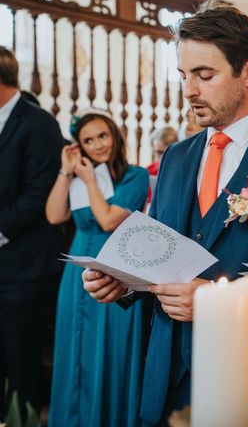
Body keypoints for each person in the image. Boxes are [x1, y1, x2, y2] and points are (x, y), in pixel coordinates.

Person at [82, 1, 248, 427]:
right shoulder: (178, 158)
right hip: (168, 374)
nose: (189, 90)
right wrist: (124, 280)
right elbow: (161, 251)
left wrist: (214, 299)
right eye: (184, 75)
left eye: (205, 75)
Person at [46, 110, 149, 427]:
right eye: (88, 140)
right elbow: (53, 215)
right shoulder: (77, 179)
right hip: (76, 274)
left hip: (116, 271)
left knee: (109, 351)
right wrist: (66, 173)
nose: (97, 145)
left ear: (115, 136)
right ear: (80, 147)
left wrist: (90, 180)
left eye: (102, 136)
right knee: (74, 347)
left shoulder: (135, 176)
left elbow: (106, 219)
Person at [0, 47, 65, 418]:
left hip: (25, 265)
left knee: (22, 357)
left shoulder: (39, 123)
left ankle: (22, 419)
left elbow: (39, 194)